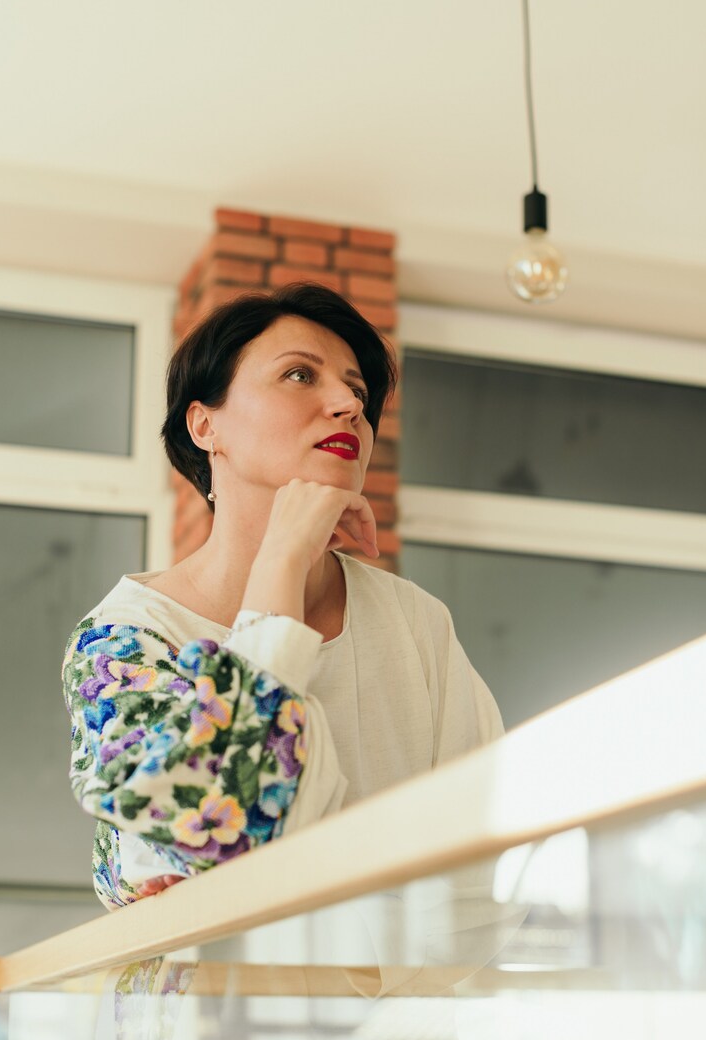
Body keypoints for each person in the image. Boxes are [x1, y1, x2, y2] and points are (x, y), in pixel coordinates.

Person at [61, 282, 503, 910]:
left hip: (397, 1004)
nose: (348, 404)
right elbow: (211, 829)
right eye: (300, 375)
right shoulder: (124, 639)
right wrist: (283, 559)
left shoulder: (415, 623)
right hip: (206, 1004)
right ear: (205, 424)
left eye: (358, 390)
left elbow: (480, 854)